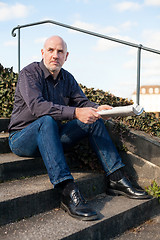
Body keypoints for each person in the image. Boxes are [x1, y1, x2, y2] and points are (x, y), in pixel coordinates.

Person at [8, 35, 150, 221]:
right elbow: (38, 107)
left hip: (52, 138)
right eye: (50, 50)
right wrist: (76, 113)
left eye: (60, 52)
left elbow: (82, 102)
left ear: (66, 56)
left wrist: (98, 108)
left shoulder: (67, 78)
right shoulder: (29, 73)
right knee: (47, 120)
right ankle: (67, 190)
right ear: (43, 53)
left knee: (93, 119)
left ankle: (116, 177)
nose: (55, 55)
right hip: (22, 139)